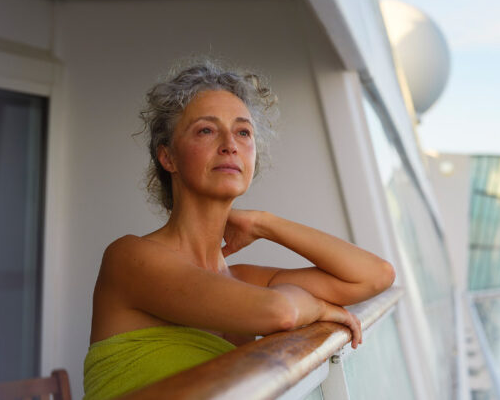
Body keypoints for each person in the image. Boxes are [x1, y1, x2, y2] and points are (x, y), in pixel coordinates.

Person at [83, 59, 396, 400]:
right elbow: (279, 312)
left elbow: (375, 275)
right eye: (206, 130)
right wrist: (320, 309)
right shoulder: (129, 258)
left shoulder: (241, 280)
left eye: (243, 132)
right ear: (167, 157)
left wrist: (264, 223)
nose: (230, 144)